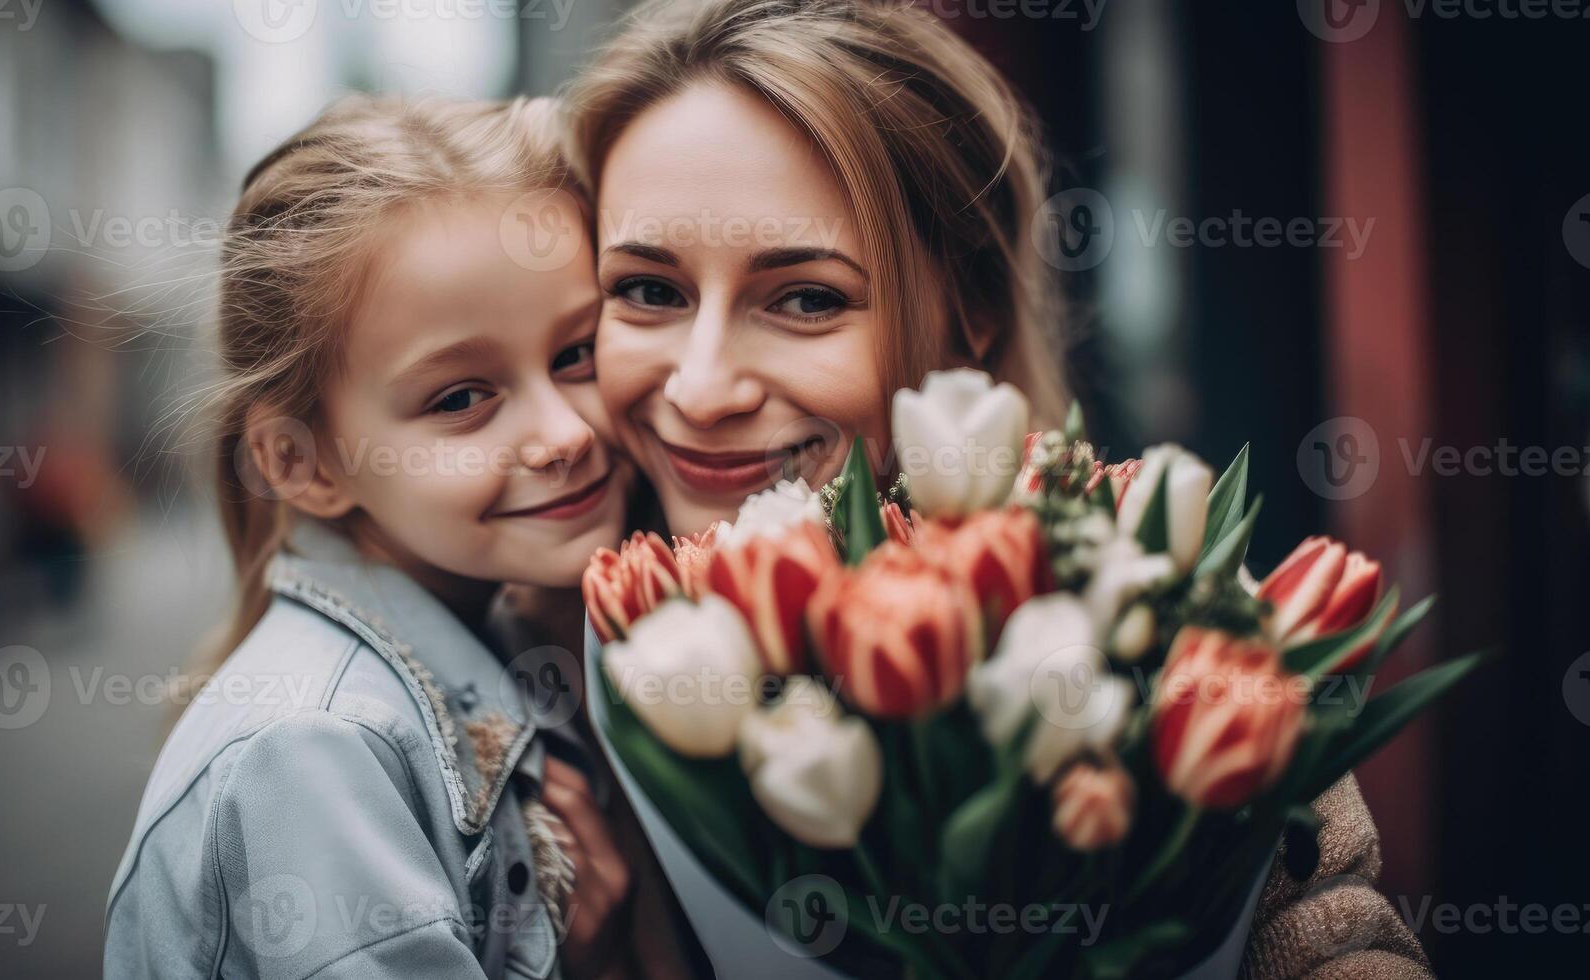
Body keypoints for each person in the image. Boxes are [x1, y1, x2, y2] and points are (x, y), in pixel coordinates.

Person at [566, 1, 1433, 975]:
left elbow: (1334, 928)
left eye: (806, 298)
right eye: (648, 289)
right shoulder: (533, 650)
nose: (702, 386)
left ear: (969, 308)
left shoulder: (1158, 624)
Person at [105, 95, 654, 979]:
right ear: (302, 462)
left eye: (577, 353)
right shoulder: (315, 751)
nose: (565, 433)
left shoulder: (517, 627)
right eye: (460, 397)